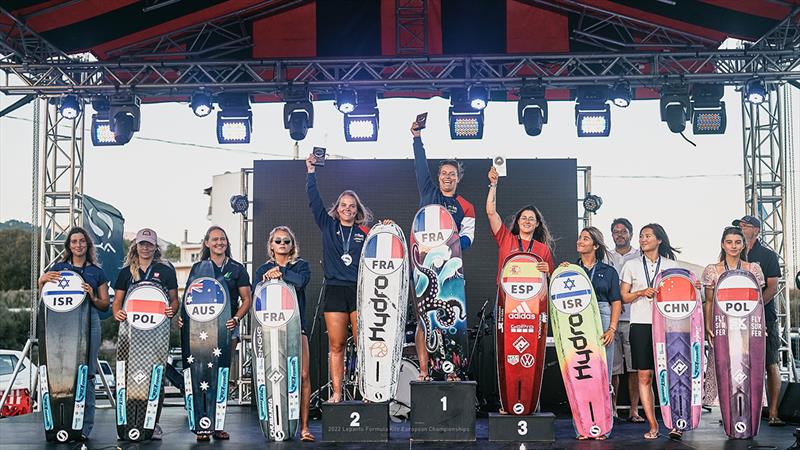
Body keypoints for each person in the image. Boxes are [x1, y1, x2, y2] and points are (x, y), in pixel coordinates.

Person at [410, 121, 476, 380]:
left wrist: (453, 248)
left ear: (458, 178)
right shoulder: (429, 193)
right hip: (423, 268)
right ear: (438, 177)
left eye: (452, 174)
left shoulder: (466, 206)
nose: (447, 177)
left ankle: (452, 371)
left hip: (450, 271)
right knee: (424, 320)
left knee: (452, 319)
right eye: (443, 174)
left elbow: (469, 238)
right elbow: (419, 166)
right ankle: (425, 371)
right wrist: (417, 138)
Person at [306, 154, 372, 402]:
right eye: (343, 205)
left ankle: (367, 392)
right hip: (334, 290)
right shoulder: (327, 225)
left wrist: (386, 227)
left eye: (352, 206)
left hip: (358, 291)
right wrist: (311, 172)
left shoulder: (365, 232)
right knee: (337, 346)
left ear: (357, 210)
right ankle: (336, 393)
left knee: (362, 345)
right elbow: (314, 201)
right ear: (337, 208)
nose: (347, 208)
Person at [37, 227, 110, 441]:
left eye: (82, 241)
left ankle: (83, 427)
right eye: (74, 241)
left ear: (87, 244)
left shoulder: (97, 272)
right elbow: (43, 298)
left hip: (89, 323)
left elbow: (105, 305)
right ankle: (57, 425)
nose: (78, 245)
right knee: (58, 371)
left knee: (86, 374)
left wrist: (92, 295)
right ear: (69, 245)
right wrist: (41, 281)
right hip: (60, 326)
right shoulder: (58, 268)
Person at [112, 228, 179, 440]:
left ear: (155, 247)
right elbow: (117, 302)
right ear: (136, 246)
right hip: (131, 335)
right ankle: (129, 422)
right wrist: (117, 313)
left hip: (156, 333)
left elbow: (174, 299)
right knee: (129, 377)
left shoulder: (166, 270)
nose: (145, 248)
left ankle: (153, 422)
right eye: (142, 244)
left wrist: (172, 309)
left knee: (155, 377)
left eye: (149, 244)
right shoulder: (125, 272)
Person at [189, 225, 251, 442]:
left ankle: (218, 425)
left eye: (222, 239)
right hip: (200, 333)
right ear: (206, 243)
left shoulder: (236, 268)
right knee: (201, 377)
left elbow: (247, 300)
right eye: (214, 239)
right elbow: (189, 297)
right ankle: (201, 424)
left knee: (221, 376)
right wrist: (182, 318)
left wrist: (236, 318)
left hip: (226, 331)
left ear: (227, 242)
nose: (219, 242)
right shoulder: (197, 268)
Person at [253, 226, 315, 442]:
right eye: (277, 241)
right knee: (271, 376)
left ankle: (304, 427)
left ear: (292, 245)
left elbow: (301, 282)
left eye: (286, 241)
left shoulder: (301, 266)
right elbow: (255, 296)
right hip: (270, 330)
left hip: (296, 328)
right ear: (271, 245)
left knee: (303, 375)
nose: (282, 244)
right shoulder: (262, 268)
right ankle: (274, 425)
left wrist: (282, 272)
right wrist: (266, 276)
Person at [620, 223, 680, 440]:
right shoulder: (631, 265)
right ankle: (653, 424)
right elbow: (624, 297)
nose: (643, 239)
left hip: (669, 325)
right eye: (642, 236)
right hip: (641, 324)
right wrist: (640, 292)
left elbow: (682, 292)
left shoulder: (672, 265)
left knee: (673, 374)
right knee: (645, 375)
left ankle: (676, 422)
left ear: (659, 240)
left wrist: (695, 286)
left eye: (648, 236)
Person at [561, 226, 621, 439]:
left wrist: (612, 328)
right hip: (576, 321)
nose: (580, 241)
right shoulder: (569, 269)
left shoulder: (608, 271)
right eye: (579, 238)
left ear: (595, 245)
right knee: (580, 374)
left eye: (585, 239)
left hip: (603, 317)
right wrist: (562, 274)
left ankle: (603, 425)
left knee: (601, 374)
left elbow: (616, 301)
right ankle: (583, 427)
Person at [701, 226, 765, 418]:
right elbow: (709, 301)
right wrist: (708, 326)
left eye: (737, 242)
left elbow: (758, 302)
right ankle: (729, 414)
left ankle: (745, 412)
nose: (733, 246)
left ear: (743, 244)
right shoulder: (713, 270)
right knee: (724, 367)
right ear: (723, 244)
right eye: (729, 242)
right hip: (723, 327)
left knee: (746, 366)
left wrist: (762, 326)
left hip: (746, 327)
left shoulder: (753, 268)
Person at [733, 215, 784, 426]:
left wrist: (755, 308)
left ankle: (773, 412)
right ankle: (737, 409)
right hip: (735, 317)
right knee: (738, 362)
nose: (741, 229)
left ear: (756, 230)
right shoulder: (734, 253)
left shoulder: (767, 255)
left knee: (770, 362)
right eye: (739, 226)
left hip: (764, 317)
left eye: (744, 226)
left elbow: (772, 286)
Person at [486, 166, 554, 279]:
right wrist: (493, 185)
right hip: (506, 295)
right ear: (518, 221)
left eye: (531, 219)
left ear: (537, 224)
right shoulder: (506, 239)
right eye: (524, 218)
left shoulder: (543, 249)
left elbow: (551, 278)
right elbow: (491, 212)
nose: (527, 221)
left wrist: (549, 271)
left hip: (535, 296)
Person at [607, 218, 643, 423]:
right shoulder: (606, 255)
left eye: (623, 231)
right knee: (613, 368)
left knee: (634, 368)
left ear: (630, 233)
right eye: (616, 231)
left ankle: (634, 410)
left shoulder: (640, 256)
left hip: (634, 318)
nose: (619, 235)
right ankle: (612, 408)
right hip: (611, 320)